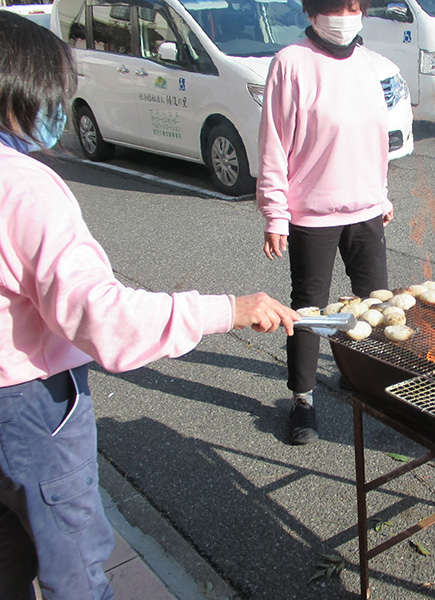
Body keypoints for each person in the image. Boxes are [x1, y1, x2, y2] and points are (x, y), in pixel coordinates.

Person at [0, 11, 300, 600]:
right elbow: (103, 318)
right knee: (75, 575)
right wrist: (229, 310)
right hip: (30, 408)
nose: (59, 108)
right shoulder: (23, 187)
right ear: (22, 90)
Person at [256, 0, 394, 445]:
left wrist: (381, 194)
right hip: (311, 212)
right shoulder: (291, 62)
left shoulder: (368, 63)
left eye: (354, 6)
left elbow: (375, 136)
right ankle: (302, 400)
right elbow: (274, 143)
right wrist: (275, 213)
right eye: (337, 5)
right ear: (313, 11)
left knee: (375, 304)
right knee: (309, 310)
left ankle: (368, 383)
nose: (346, 15)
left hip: (365, 209)